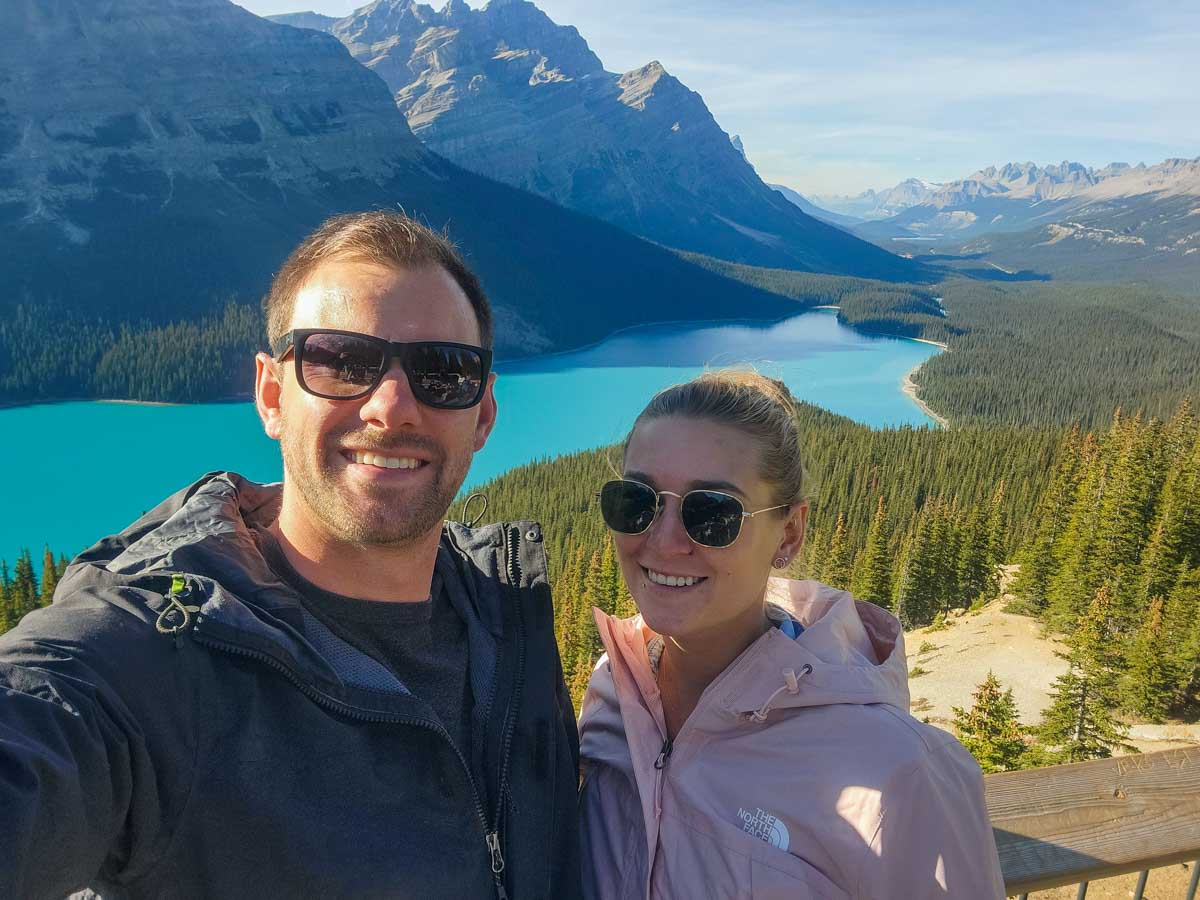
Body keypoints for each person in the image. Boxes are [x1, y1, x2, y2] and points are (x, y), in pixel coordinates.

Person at [0, 211, 581, 900]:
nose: (391, 408)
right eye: (341, 361)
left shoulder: (510, 615)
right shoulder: (147, 656)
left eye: (443, 372)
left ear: (482, 416)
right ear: (272, 395)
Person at [578, 371, 1005, 899]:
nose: (664, 542)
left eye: (713, 513)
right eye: (637, 502)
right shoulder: (612, 697)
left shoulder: (899, 773)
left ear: (790, 532)